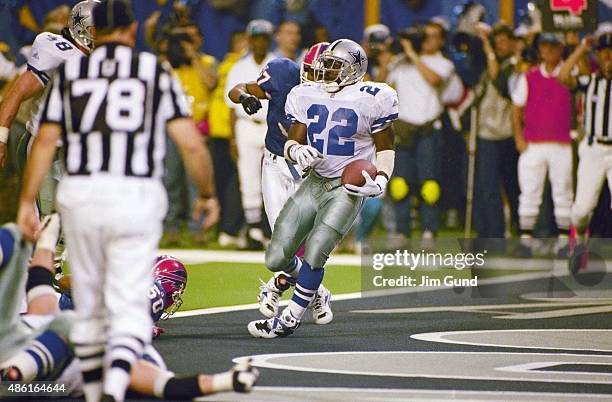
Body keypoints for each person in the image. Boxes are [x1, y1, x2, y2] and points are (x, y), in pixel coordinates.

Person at [16, 1, 218, 401]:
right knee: (127, 299)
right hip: (132, 197)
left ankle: (92, 385)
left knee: (90, 303)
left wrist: (26, 199)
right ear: (131, 29)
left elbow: (45, 139)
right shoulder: (151, 71)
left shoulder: (72, 71)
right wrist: (208, 195)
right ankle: (120, 377)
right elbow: (190, 143)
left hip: (80, 195)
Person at [0, 215, 259, 399]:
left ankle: (20, 368)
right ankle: (19, 369)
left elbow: (44, 301)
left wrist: (46, 245)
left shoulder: (115, 346)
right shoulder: (135, 347)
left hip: (25, 377)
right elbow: (167, 386)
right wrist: (225, 381)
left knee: (13, 241)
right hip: (27, 369)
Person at [247, 39, 398, 338]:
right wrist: (295, 151)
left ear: (354, 70)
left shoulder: (373, 97)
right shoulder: (305, 93)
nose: (325, 72)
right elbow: (293, 139)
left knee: (316, 250)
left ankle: (289, 318)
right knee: (275, 256)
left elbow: (386, 148)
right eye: (324, 66)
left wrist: (381, 178)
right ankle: (309, 291)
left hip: (346, 186)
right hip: (316, 179)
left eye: (333, 67)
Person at [228, 42, 333, 324]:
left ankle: (279, 286)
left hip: (312, 169)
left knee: (300, 244)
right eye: (313, 72)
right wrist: (245, 98)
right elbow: (236, 89)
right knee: (281, 243)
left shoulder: (340, 97)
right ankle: (316, 291)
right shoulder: (284, 73)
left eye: (326, 73)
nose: (318, 79)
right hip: (276, 164)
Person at [0, 0, 98, 214]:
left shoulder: (102, 61)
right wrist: (1, 138)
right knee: (46, 220)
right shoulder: (56, 49)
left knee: (76, 221)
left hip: (78, 150)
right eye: (98, 28)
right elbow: (16, 93)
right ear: (83, 28)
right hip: (45, 147)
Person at [379, 20, 455, 247]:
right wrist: (387, 61)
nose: (428, 40)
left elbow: (434, 80)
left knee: (429, 185)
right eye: (425, 35)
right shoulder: (401, 63)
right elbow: (382, 86)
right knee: (399, 183)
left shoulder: (443, 63)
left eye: (433, 36)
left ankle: (429, 231)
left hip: (428, 129)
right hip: (403, 128)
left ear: (441, 40)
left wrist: (412, 54)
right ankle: (402, 232)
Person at [511, 33, 574, 257]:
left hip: (561, 142)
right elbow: (516, 107)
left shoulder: (569, 74)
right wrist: (519, 137)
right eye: (544, 47)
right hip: (534, 143)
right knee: (529, 190)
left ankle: (565, 240)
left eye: (553, 46)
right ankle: (526, 239)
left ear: (560, 49)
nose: (547, 51)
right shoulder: (529, 77)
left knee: (562, 190)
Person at [558, 32, 612, 272]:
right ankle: (579, 241)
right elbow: (563, 76)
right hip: (592, 149)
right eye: (604, 52)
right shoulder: (590, 81)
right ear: (598, 56)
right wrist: (581, 48)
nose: (608, 56)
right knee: (580, 211)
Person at [225, 19, 275, 249]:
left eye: (263, 38)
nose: (259, 42)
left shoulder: (276, 64)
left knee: (275, 179)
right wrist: (232, 138)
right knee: (248, 179)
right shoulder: (239, 66)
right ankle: (254, 228)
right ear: (250, 39)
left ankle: (272, 229)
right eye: (256, 37)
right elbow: (231, 107)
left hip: (269, 125)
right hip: (246, 124)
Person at [472, 22, 520, 241]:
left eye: (503, 42)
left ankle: (519, 231)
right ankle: (493, 234)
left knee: (512, 186)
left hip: (509, 134)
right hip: (487, 134)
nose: (499, 46)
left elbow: (500, 82)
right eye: (496, 42)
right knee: (488, 187)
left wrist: (488, 49)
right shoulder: (485, 65)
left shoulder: (516, 65)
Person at [208, 31, 248, 248]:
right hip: (220, 132)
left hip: (233, 131)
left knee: (241, 182)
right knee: (224, 184)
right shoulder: (228, 65)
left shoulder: (245, 66)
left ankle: (236, 227)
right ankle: (225, 226)